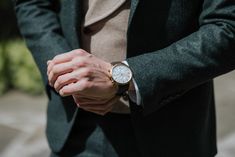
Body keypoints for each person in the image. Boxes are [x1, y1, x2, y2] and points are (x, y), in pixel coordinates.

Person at [14, 0, 235, 156]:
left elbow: (227, 28)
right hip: (74, 129)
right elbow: (32, 4)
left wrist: (125, 77)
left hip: (170, 130)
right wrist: (66, 71)